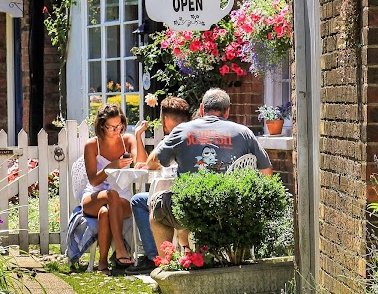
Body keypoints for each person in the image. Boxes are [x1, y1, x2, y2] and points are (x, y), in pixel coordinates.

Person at [148, 87, 273, 249]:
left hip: (191, 209)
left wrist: (171, 137)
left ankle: (167, 264)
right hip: (232, 210)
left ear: (201, 109)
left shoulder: (182, 130)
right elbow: (267, 172)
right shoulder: (244, 133)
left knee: (157, 209)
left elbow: (152, 162)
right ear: (227, 112)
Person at [124, 96, 192, 275]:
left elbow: (152, 162)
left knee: (139, 201)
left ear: (166, 119)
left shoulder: (173, 139)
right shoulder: (195, 136)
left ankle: (153, 257)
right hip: (192, 196)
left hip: (170, 200)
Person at [80, 103, 148, 274]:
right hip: (94, 196)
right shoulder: (91, 145)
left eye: (119, 125)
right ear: (102, 125)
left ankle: (102, 263)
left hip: (122, 198)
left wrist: (138, 136)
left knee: (105, 212)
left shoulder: (127, 140)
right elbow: (94, 181)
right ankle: (120, 249)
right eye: (111, 127)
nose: (116, 130)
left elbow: (142, 163)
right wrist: (112, 166)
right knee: (110, 195)